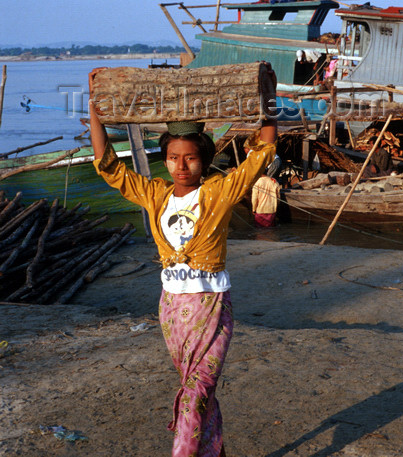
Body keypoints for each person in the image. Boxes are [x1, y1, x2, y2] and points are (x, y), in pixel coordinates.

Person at [88, 67, 277, 457]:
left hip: (211, 306)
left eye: (190, 158)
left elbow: (263, 152)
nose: (181, 166)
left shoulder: (220, 192)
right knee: (201, 394)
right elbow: (109, 166)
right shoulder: (155, 195)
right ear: (166, 159)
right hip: (172, 310)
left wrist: (268, 96)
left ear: (203, 159)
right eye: (174, 157)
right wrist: (95, 105)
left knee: (195, 395)